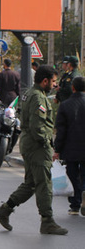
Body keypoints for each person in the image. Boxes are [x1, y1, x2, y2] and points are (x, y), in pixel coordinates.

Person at [0, 65, 68, 235]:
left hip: (29, 144)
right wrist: (47, 143)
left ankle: (5, 210)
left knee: (31, 183)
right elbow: (37, 127)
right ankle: (47, 221)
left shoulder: (29, 94)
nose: (55, 85)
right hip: (37, 146)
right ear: (45, 81)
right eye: (53, 82)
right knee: (44, 184)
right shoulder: (38, 97)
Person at [53, 76, 85, 216]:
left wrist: (57, 149)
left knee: (72, 175)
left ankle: (75, 204)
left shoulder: (65, 105)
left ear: (73, 88)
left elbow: (61, 130)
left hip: (70, 148)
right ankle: (84, 192)